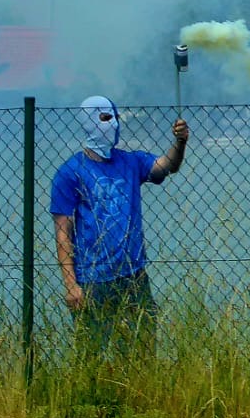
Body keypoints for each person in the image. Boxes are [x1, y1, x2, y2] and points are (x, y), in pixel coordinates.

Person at [49, 95, 188, 341]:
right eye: (105, 118)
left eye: (115, 118)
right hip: (93, 279)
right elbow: (63, 232)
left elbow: (166, 166)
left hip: (133, 275)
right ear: (88, 122)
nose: (113, 124)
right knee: (93, 354)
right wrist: (71, 285)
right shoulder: (70, 172)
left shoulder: (131, 161)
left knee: (142, 347)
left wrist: (180, 142)